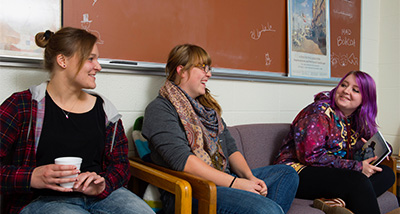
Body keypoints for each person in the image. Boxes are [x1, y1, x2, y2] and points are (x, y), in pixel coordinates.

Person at [0, 27, 154, 214]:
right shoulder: (21, 106)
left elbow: (121, 166)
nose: (98, 66)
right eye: (90, 58)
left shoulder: (105, 110)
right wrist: (32, 177)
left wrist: (103, 184)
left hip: (103, 197)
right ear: (62, 60)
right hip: (43, 201)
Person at [142, 44, 299, 214]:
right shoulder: (159, 109)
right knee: (267, 209)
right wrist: (236, 184)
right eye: (203, 67)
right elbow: (184, 162)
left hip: (225, 179)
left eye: (209, 68)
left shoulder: (208, 111)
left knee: (287, 174)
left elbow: (231, 149)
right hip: (194, 190)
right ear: (182, 70)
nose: (208, 74)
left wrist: (250, 178)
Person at [274, 71, 395, 214]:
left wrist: (384, 149)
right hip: (295, 173)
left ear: (365, 99)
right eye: (344, 85)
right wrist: (357, 167)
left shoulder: (355, 117)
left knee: (386, 172)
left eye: (355, 90)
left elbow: (375, 140)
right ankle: (348, 197)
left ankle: (339, 202)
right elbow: (310, 157)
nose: (346, 91)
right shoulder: (317, 113)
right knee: (358, 182)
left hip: (329, 171)